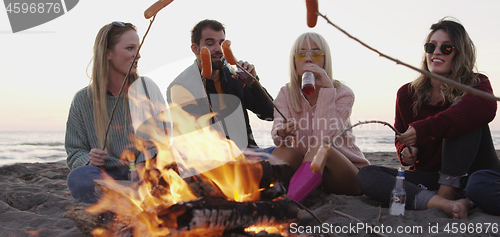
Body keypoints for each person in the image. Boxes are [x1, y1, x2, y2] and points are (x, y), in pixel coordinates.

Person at [357, 17, 500, 219]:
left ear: (460, 53)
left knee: (463, 109)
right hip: (430, 177)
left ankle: (446, 194)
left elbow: (486, 108)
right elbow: (401, 135)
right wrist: (406, 151)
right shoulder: (407, 94)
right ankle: (442, 203)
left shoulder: (476, 85)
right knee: (367, 175)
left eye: (447, 48)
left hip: (476, 178)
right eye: (431, 46)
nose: (436, 52)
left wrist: (426, 128)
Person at [65, 22, 159, 204]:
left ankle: (128, 199)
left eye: (137, 48)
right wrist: (89, 159)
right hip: (107, 176)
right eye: (130, 48)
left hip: (144, 172)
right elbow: (74, 151)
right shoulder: (82, 100)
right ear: (108, 53)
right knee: (78, 178)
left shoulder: (146, 89)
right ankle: (127, 199)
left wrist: (140, 165)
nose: (137, 55)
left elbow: (159, 138)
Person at [271, 32, 369, 200]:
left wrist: (326, 91)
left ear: (325, 60)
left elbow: (323, 138)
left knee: (319, 148)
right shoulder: (286, 93)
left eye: (316, 53)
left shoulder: (342, 93)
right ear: (294, 62)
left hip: (344, 174)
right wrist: (283, 132)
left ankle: (289, 203)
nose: (308, 59)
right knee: (283, 150)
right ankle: (261, 196)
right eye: (301, 54)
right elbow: (278, 136)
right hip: (309, 172)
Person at [166, 19, 275, 153]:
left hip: (250, 152)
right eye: (210, 44)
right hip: (215, 162)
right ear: (195, 49)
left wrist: (254, 84)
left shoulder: (235, 77)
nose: (218, 49)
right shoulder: (181, 86)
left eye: (222, 43)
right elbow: (197, 139)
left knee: (290, 154)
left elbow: (270, 114)